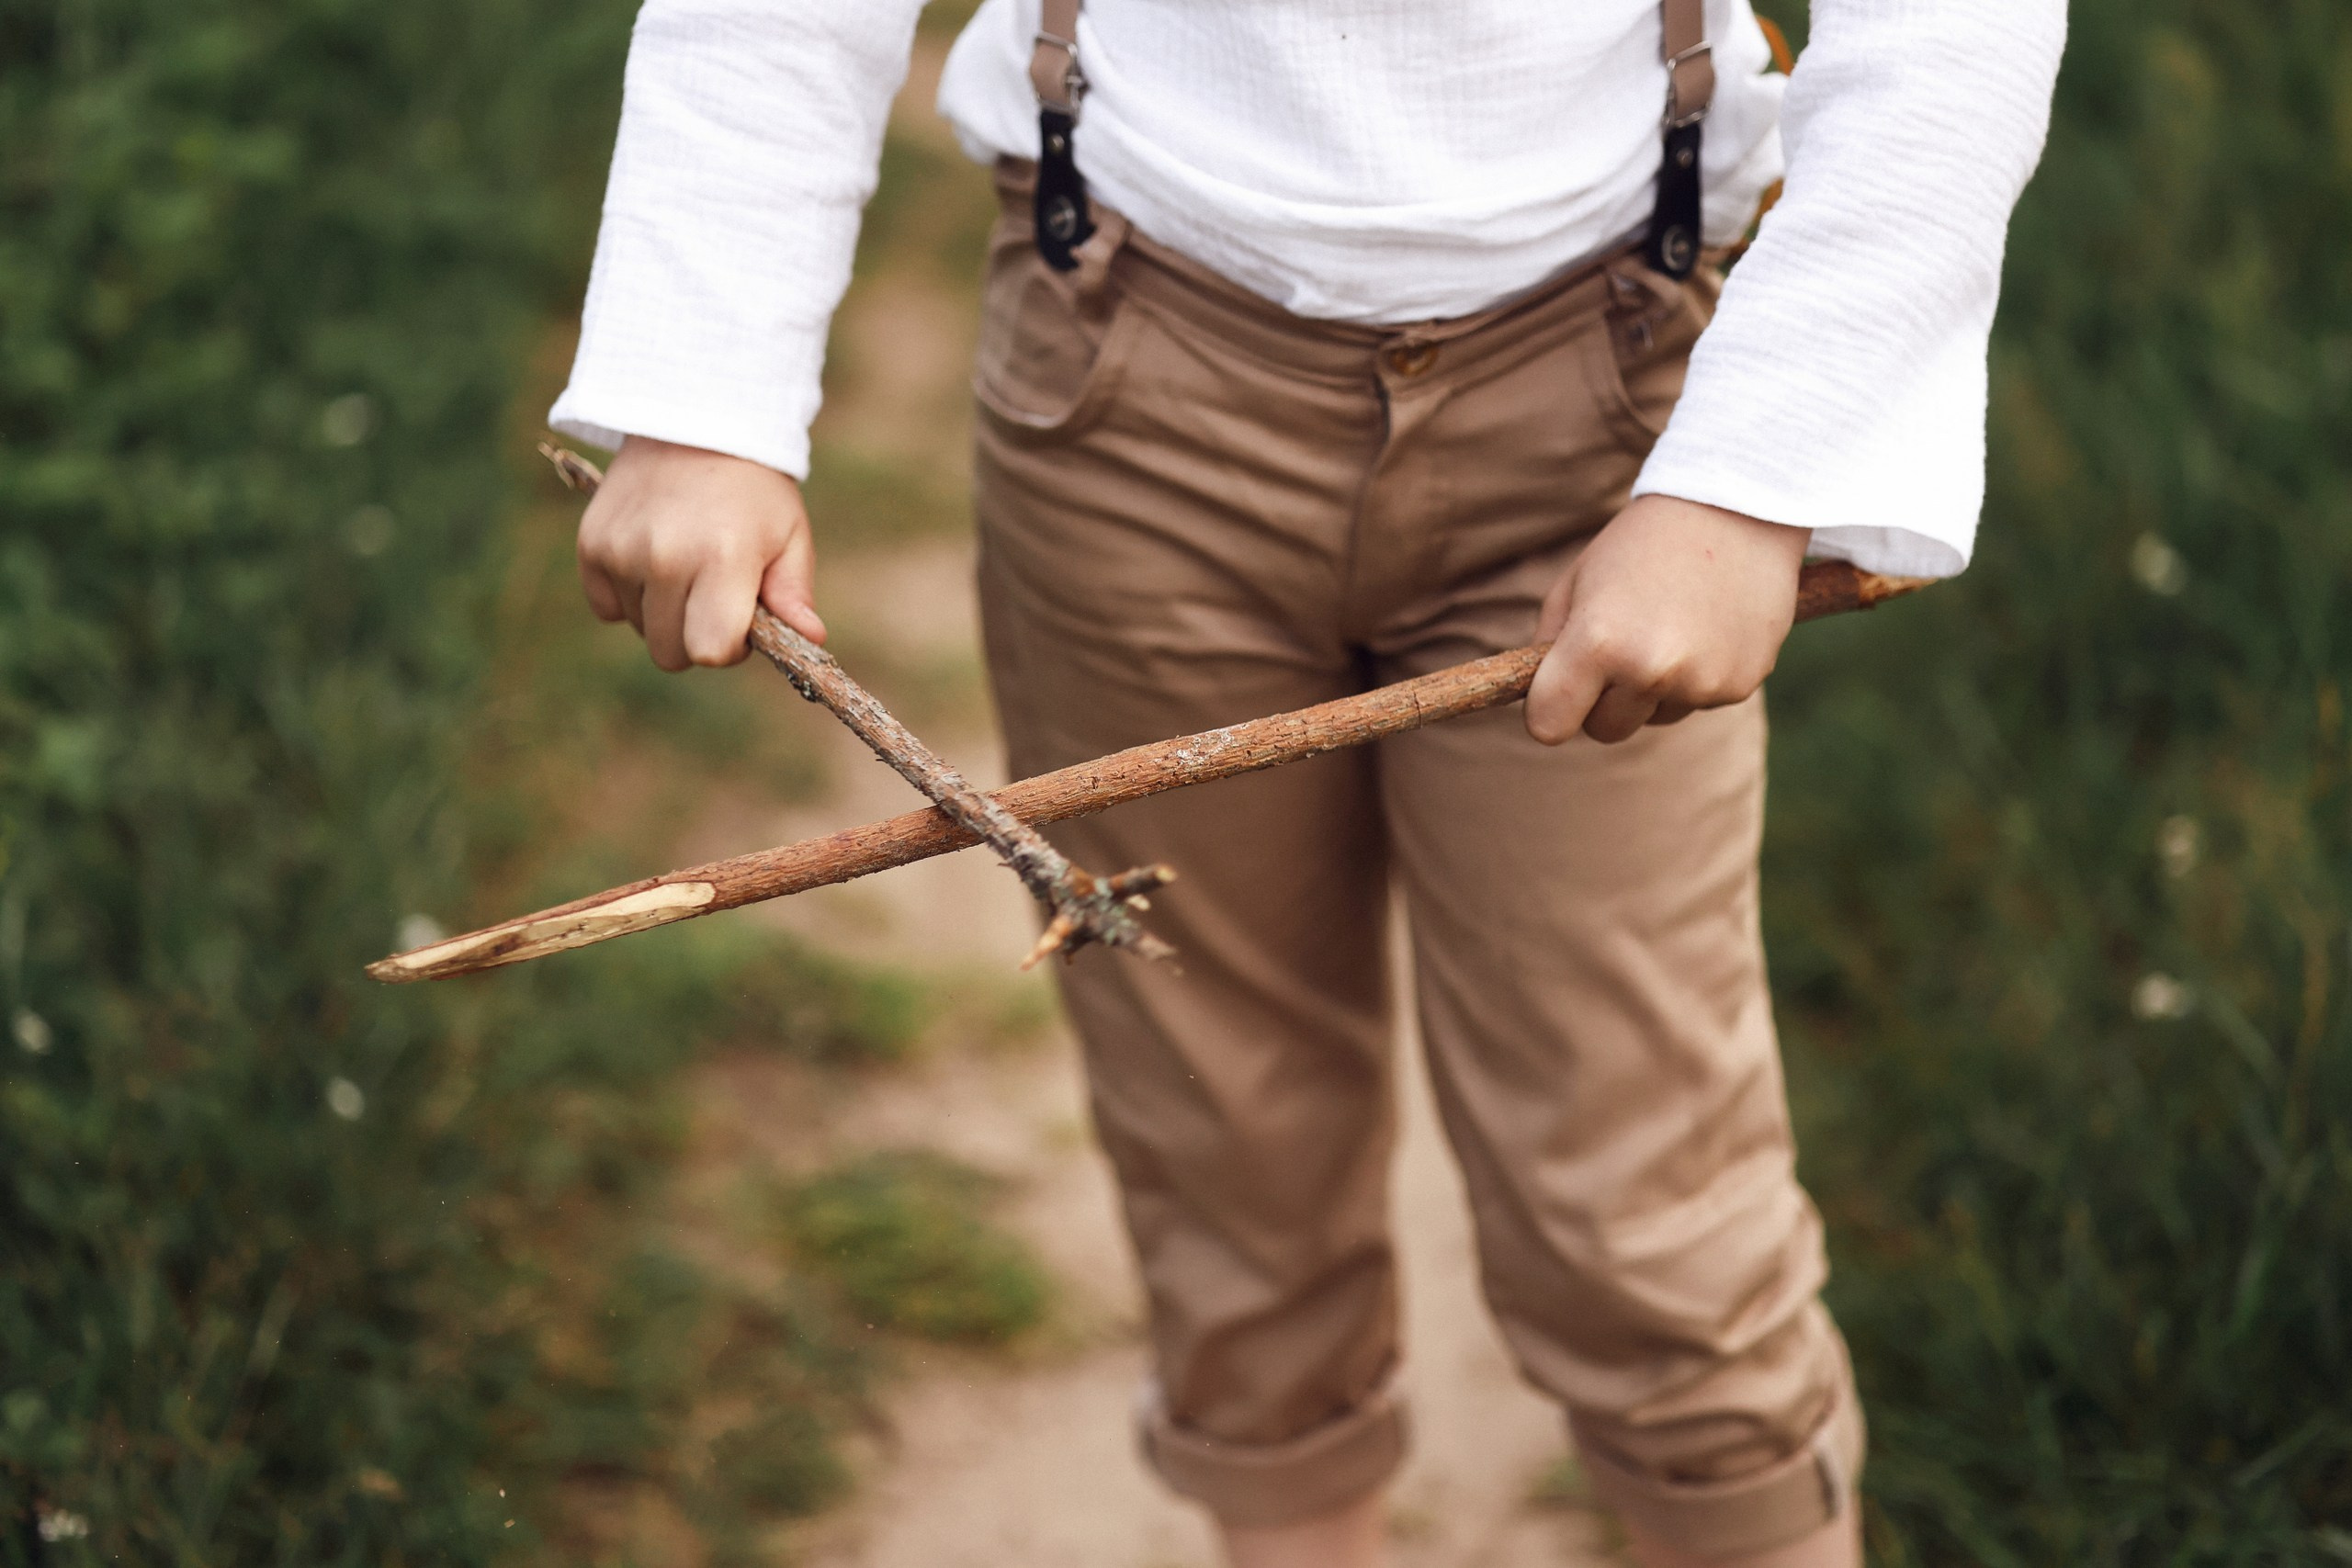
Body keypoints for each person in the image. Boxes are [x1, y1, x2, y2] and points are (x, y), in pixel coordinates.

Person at [549, 2, 2064, 1562]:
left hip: (1613, 414)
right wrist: (702, 387)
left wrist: (1752, 476)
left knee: (1640, 1202)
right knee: (1225, 1142)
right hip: (1126, 383)